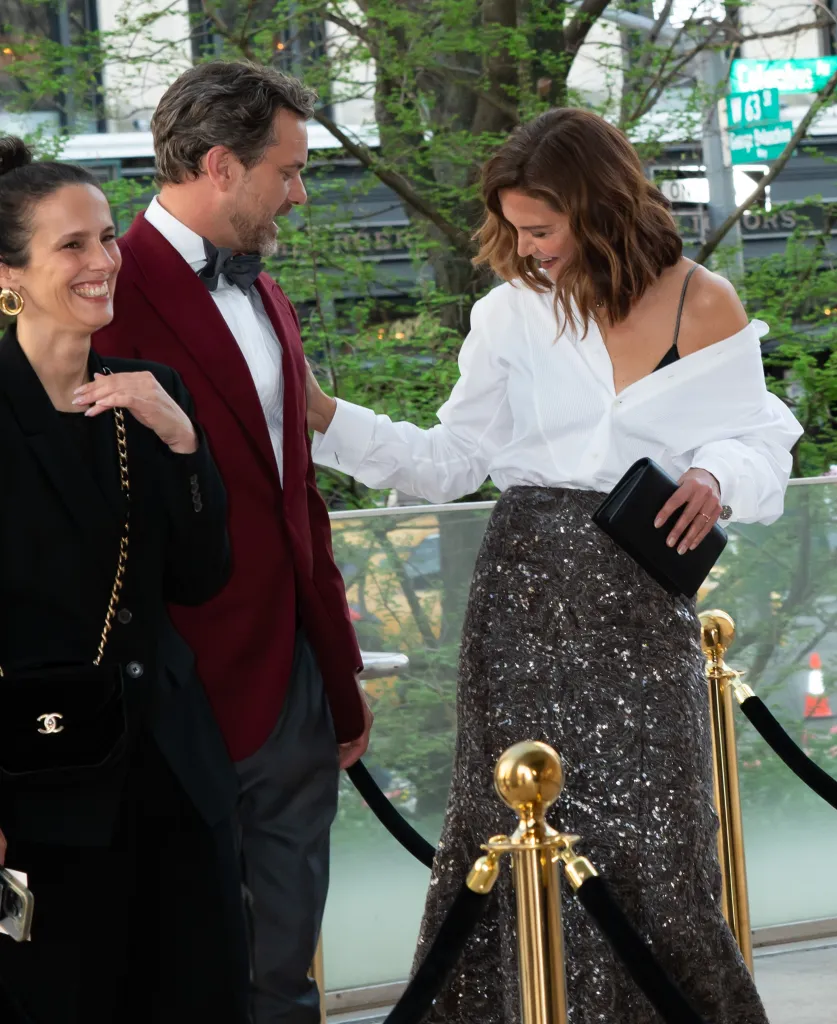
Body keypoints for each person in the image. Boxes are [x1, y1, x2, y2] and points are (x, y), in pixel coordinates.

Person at [305, 108, 803, 1023]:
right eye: (515, 231)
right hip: (522, 595)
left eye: (541, 228)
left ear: (600, 206)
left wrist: (714, 474)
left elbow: (762, 443)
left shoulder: (703, 300)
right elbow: (450, 462)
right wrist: (325, 415)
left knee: (657, 844)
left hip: (641, 598)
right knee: (502, 835)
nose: (528, 250)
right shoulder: (508, 313)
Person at [93, 60, 373, 1024]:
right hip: (168, 688)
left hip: (292, 674)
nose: (298, 193)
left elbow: (297, 499)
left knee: (285, 972)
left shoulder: (271, 297)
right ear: (220, 164)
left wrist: (333, 674)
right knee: (188, 972)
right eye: (287, 171)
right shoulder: (100, 293)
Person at [0, 138, 249, 1022]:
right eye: (72, 245)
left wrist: (183, 440)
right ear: (10, 275)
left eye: (106, 238)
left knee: (203, 996)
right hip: (43, 785)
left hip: (175, 770)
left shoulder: (152, 391)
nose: (103, 261)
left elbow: (201, 576)